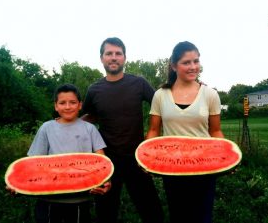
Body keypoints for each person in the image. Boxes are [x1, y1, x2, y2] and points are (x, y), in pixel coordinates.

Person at [82, 37, 164, 223]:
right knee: (105, 213)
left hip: (137, 158)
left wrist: (191, 90)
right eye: (109, 53)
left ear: (124, 58)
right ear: (101, 58)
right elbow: (90, 117)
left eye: (118, 53)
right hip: (107, 159)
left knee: (152, 212)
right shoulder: (94, 89)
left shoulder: (139, 83)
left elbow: (161, 104)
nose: (113, 57)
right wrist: (65, 122)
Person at [145, 41, 224, 223]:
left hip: (205, 168)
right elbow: (154, 130)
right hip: (172, 168)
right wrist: (147, 157)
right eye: (186, 62)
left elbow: (216, 131)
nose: (193, 67)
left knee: (202, 217)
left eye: (196, 61)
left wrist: (225, 158)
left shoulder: (210, 94)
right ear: (174, 66)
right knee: (178, 216)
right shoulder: (160, 95)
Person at [26, 83, 111, 223]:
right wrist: (18, 183)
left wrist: (105, 180)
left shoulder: (90, 129)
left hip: (80, 198)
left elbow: (101, 160)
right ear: (55, 106)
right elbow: (33, 163)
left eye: (72, 102)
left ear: (80, 105)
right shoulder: (46, 128)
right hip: (49, 199)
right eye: (62, 103)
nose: (67, 106)